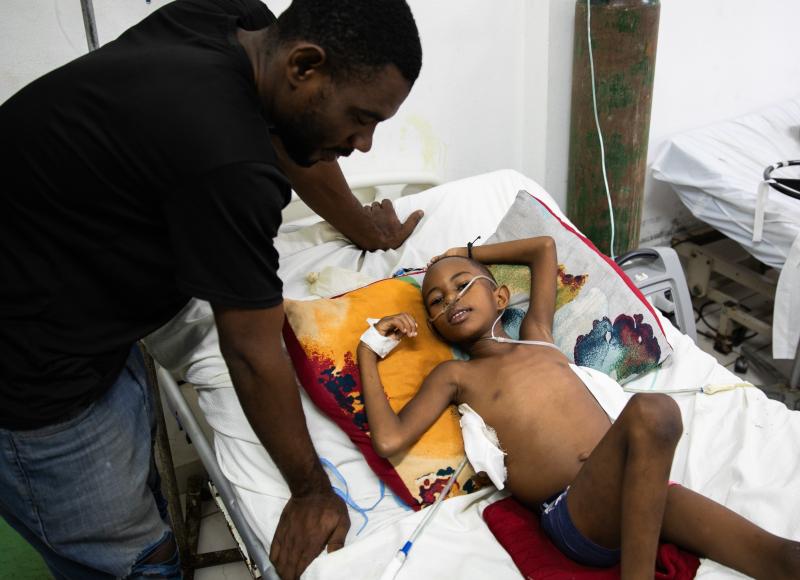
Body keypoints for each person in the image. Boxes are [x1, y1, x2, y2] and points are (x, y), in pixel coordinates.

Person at [0, 0, 421, 578]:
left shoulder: (238, 22)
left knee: (136, 489)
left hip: (58, 270)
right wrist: (311, 491)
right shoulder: (228, 162)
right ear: (303, 66)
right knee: (132, 561)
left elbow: (300, 141)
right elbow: (250, 350)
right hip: (30, 368)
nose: (365, 143)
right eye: (361, 117)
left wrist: (361, 226)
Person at [357, 237, 800, 579]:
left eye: (462, 285)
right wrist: (370, 348)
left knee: (782, 557)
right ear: (433, 324)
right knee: (655, 413)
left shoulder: (536, 334)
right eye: (436, 301)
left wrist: (463, 251)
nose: (450, 299)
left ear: (501, 297)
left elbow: (543, 249)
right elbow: (390, 438)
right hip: (573, 513)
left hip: (634, 487)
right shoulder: (456, 377)